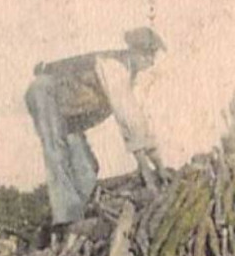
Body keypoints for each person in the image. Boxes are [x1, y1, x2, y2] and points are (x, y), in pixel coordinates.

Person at [25, 27, 167, 240]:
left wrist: (160, 165)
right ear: (133, 51)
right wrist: (146, 171)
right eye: (147, 54)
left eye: (153, 55)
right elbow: (125, 118)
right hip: (46, 93)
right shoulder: (114, 68)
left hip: (68, 113)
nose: (151, 61)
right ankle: (67, 221)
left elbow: (140, 122)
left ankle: (78, 218)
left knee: (87, 166)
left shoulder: (129, 76)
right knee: (57, 152)